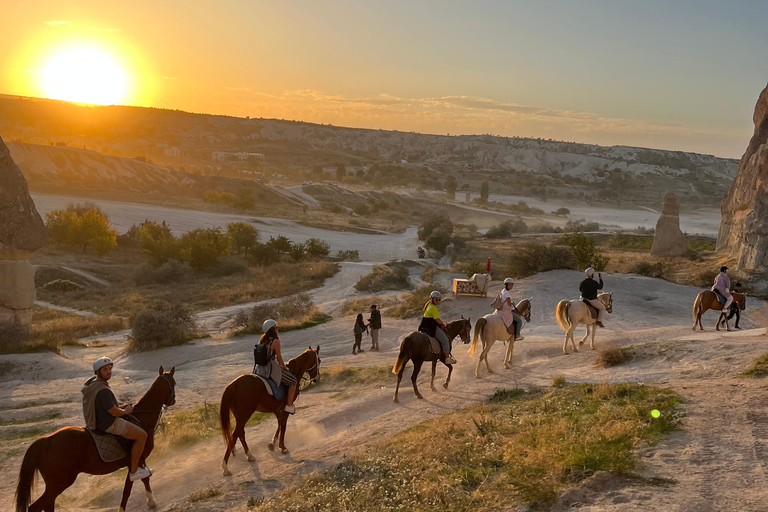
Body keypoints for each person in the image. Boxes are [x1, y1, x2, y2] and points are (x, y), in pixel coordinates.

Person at [81, 357, 152, 482]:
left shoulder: (92, 386)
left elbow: (106, 407)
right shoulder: (103, 391)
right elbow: (113, 412)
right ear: (98, 372)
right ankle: (134, 471)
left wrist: (119, 408)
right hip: (108, 424)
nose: (109, 372)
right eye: (105, 370)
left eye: (109, 369)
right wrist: (125, 411)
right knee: (142, 435)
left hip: (95, 423)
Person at [255, 319, 298, 414]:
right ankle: (289, 405)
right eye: (276, 327)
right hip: (272, 367)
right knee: (293, 381)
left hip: (261, 368)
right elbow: (279, 358)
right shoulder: (275, 342)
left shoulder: (262, 339)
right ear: (272, 329)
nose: (277, 329)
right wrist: (285, 367)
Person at [418, 290, 457, 364]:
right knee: (445, 340)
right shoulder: (433, 308)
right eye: (436, 299)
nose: (438, 301)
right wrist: (443, 324)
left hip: (423, 325)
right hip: (430, 327)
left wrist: (440, 322)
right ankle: (447, 358)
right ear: (432, 299)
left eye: (439, 299)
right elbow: (437, 320)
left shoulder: (428, 305)